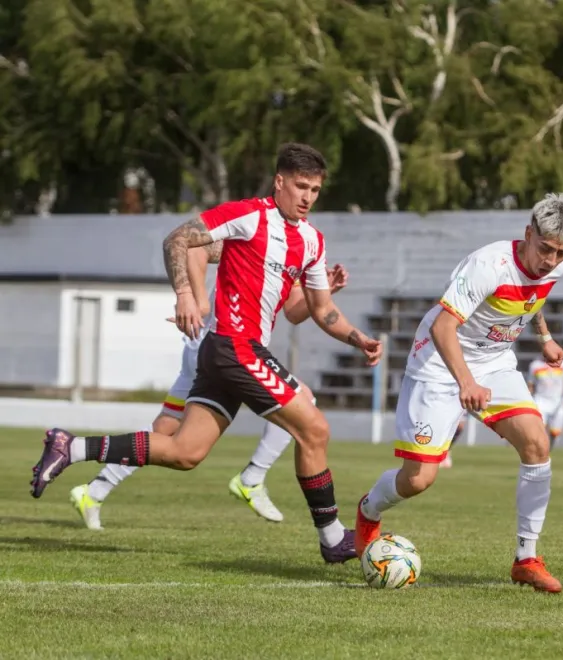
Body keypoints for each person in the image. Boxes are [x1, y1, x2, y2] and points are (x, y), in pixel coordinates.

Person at [31, 143, 382, 564]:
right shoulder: (250, 215)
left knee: (185, 452)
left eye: (316, 190)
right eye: (301, 186)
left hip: (235, 352)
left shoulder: (311, 242)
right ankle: (332, 538)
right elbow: (180, 238)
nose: (307, 197)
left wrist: (356, 338)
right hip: (235, 346)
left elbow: (312, 310)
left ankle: (70, 448)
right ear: (280, 182)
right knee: (315, 429)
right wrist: (186, 294)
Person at [354, 193, 563, 593]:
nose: (550, 260)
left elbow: (533, 298)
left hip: (494, 362)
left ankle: (526, 559)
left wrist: (544, 337)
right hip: (439, 364)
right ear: (528, 234)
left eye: (561, 253)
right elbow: (444, 327)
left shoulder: (555, 268)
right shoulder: (487, 265)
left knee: (537, 444)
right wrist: (466, 383)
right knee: (419, 479)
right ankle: (368, 510)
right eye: (545, 248)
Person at [67, 244, 349, 530]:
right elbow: (192, 246)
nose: (307, 199)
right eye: (305, 194)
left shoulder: (294, 248)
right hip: (218, 347)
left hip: (205, 346)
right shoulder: (252, 234)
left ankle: (94, 491)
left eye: (313, 194)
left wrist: (324, 292)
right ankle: (252, 477)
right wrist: (193, 300)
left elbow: (294, 312)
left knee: (165, 430)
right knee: (302, 402)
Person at [527, 357, 563, 448]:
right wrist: (529, 398)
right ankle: (540, 447)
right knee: (539, 427)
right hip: (541, 399)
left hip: (558, 401)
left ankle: (549, 447)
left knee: (555, 431)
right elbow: (531, 383)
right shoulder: (535, 365)